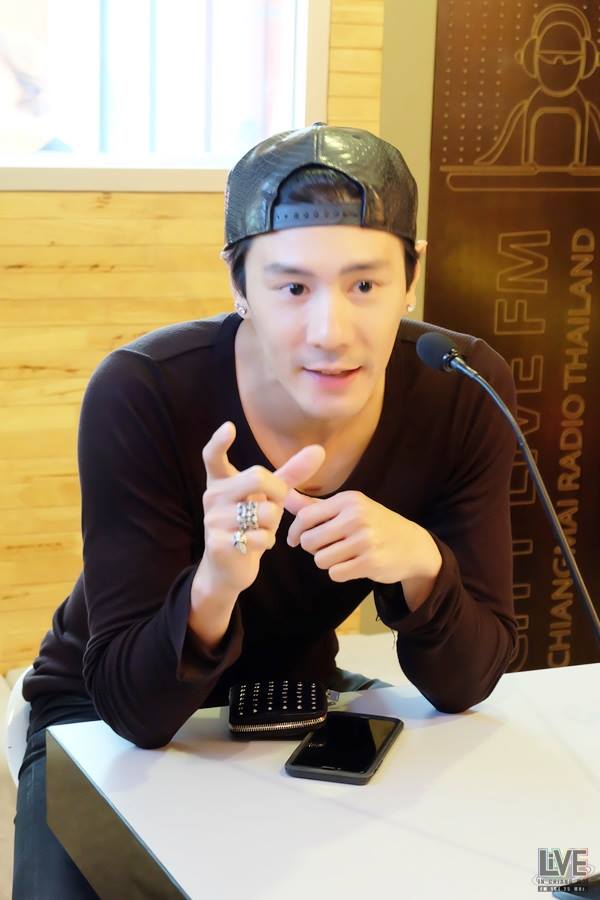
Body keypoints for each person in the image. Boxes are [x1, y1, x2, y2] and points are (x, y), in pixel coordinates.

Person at [12, 122, 518, 897]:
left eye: (365, 286)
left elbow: (468, 681)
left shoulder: (459, 387)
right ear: (238, 282)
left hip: (293, 696)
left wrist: (421, 562)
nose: (330, 333)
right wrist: (216, 581)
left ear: (411, 274)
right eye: (292, 288)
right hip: (100, 706)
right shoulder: (145, 391)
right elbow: (134, 710)